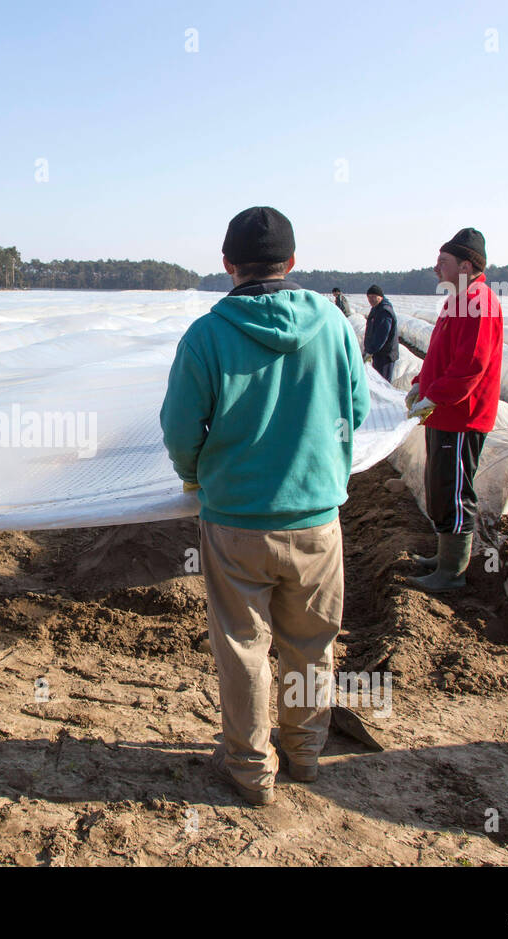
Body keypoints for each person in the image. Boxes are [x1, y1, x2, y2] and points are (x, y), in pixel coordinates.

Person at [160, 206, 369, 806]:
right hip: (316, 521)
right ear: (293, 263)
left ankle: (251, 770)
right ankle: (304, 753)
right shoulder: (332, 325)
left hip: (235, 523)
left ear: (227, 265)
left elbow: (180, 427)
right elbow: (353, 412)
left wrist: (194, 476)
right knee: (310, 643)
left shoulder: (206, 334)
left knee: (243, 647)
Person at [405, 227, 503, 592]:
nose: (436, 268)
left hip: (462, 416)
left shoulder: (479, 302)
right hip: (444, 412)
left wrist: (438, 396)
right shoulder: (457, 300)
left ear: (466, 264)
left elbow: (470, 366)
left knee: (456, 489)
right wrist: (420, 383)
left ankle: (452, 573)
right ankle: (444, 556)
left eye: (443, 261)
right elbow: (440, 356)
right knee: (441, 484)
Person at [363, 284, 399, 382]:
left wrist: (370, 350)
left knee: (382, 382)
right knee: (378, 380)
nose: (371, 300)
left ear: (380, 297)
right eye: (369, 297)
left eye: (374, 297)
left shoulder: (384, 311)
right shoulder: (376, 308)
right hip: (379, 353)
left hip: (385, 355)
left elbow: (382, 335)